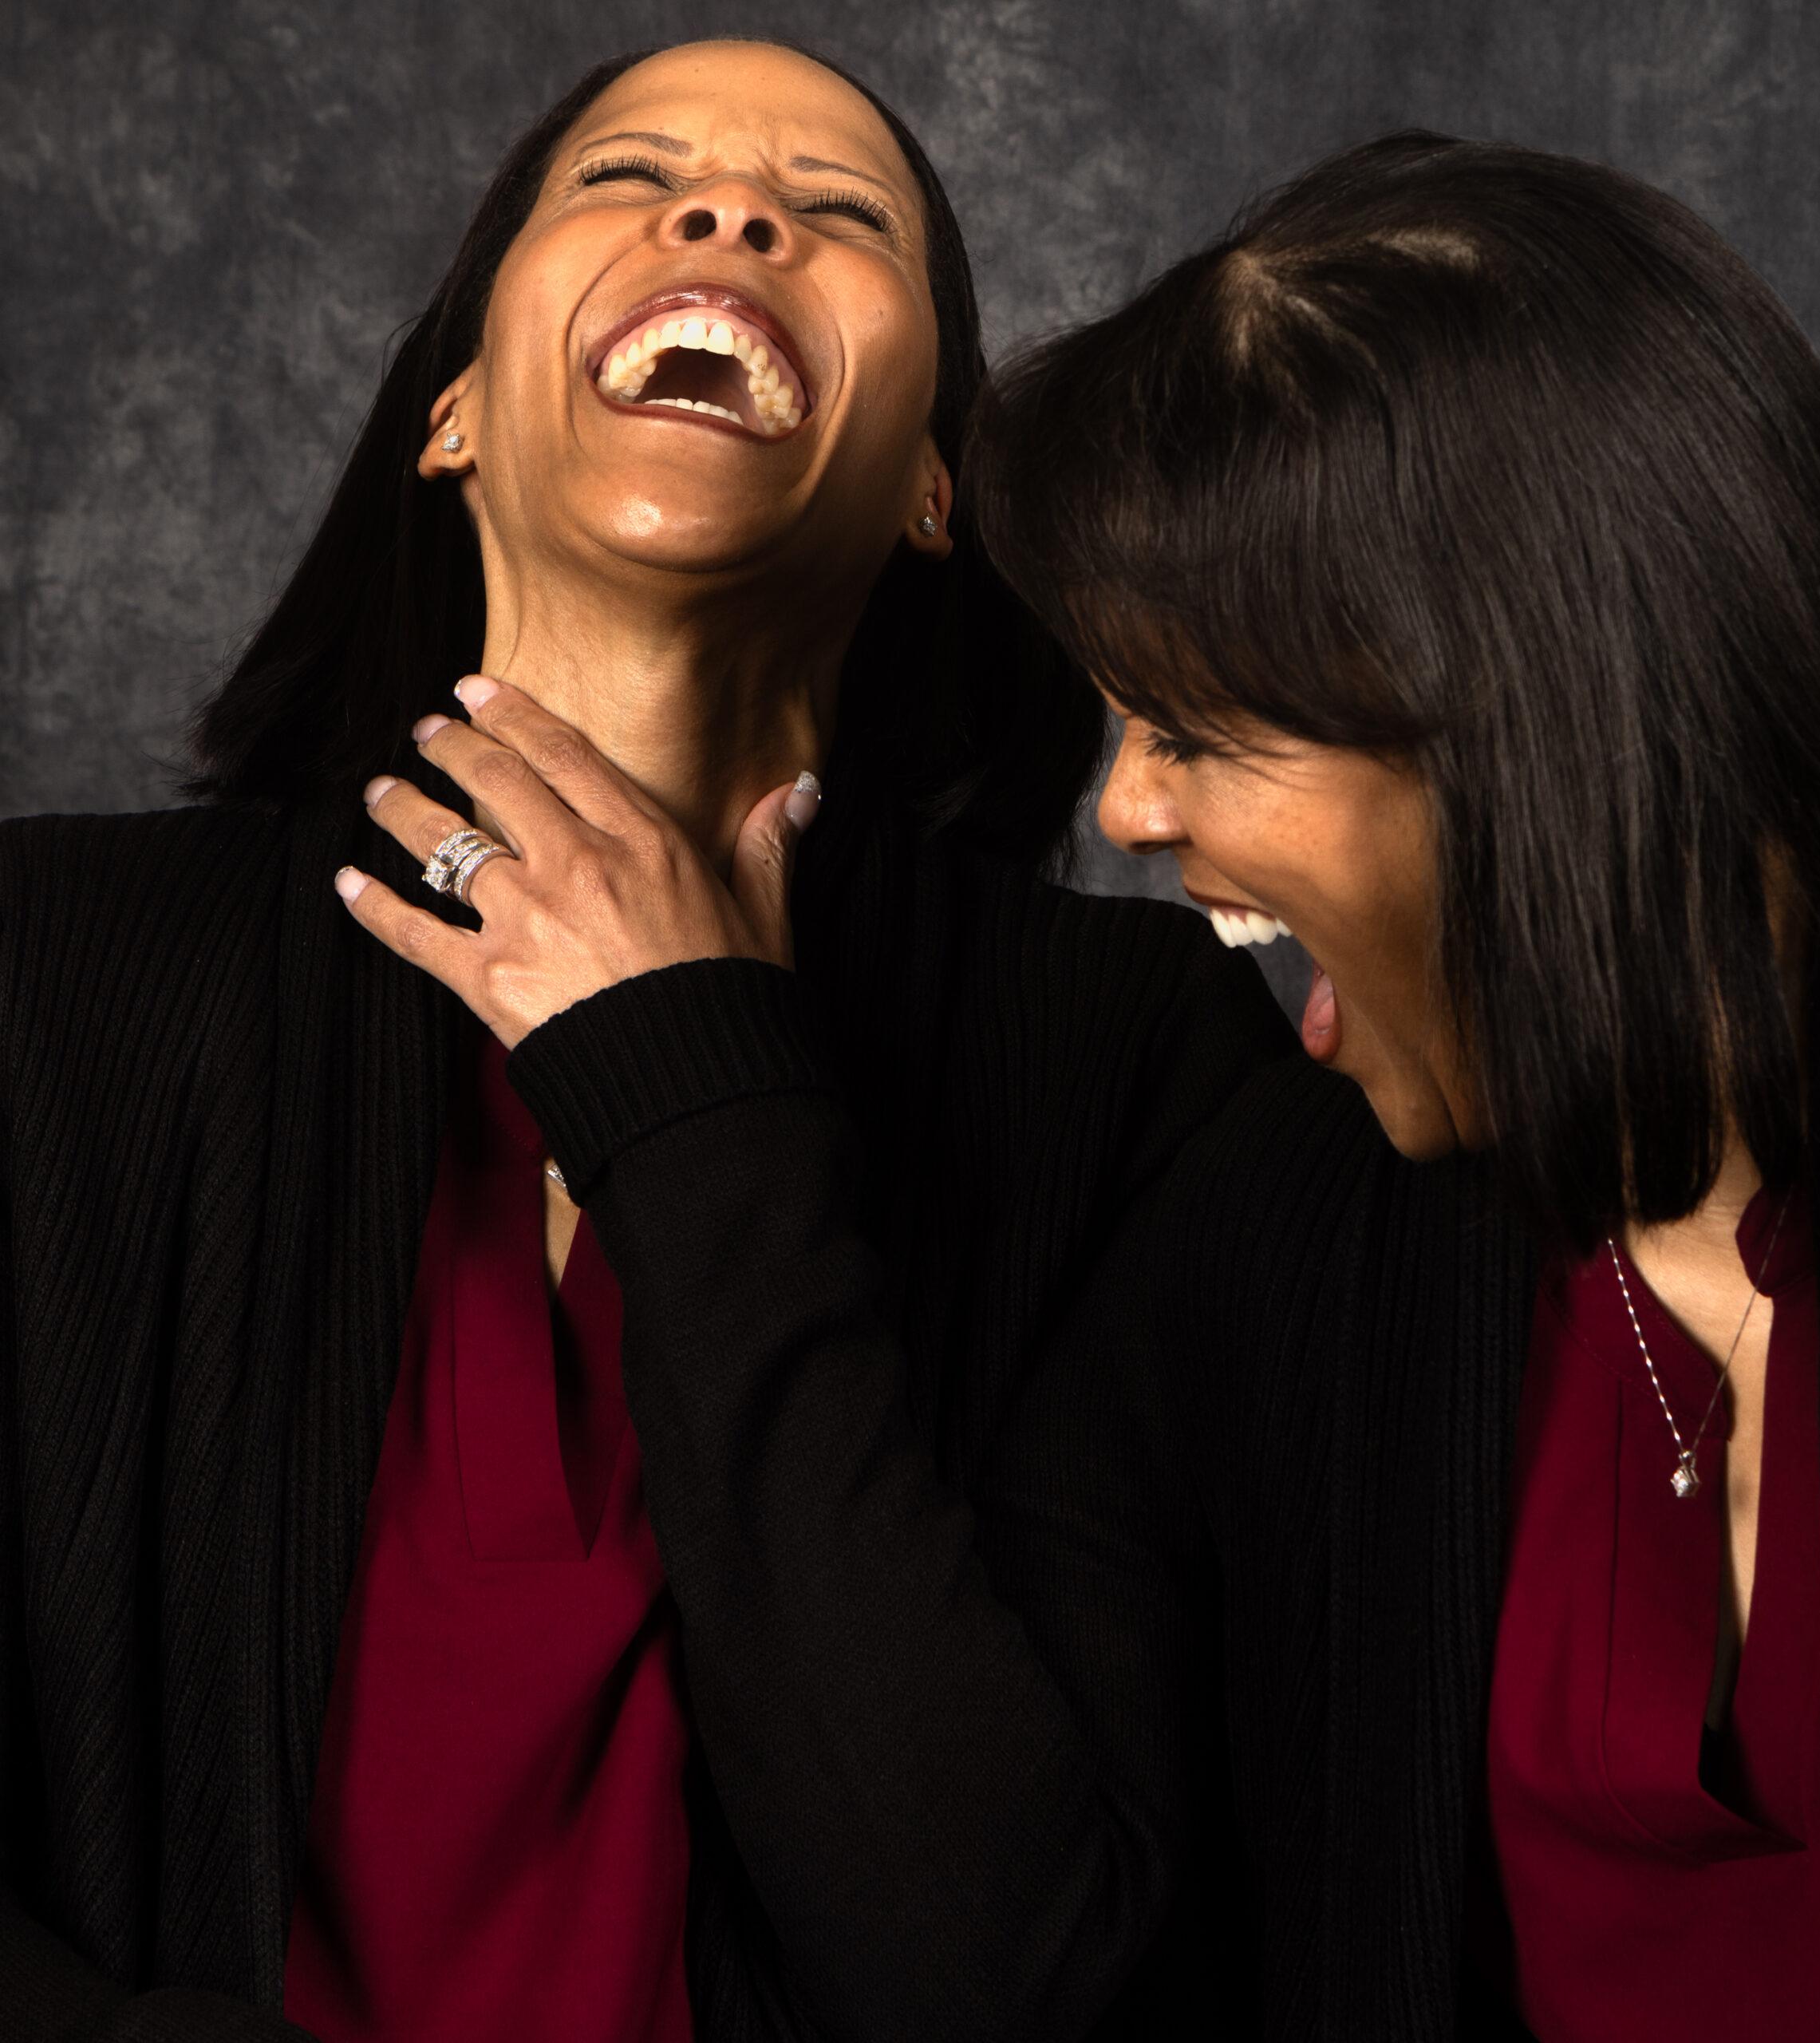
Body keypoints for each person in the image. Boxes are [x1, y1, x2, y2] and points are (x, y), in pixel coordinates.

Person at [0, 40, 1297, 2041]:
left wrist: (691, 1085)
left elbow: (1010, 1963)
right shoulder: (51, 962)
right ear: (449, 412)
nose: (728, 212)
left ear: (935, 485)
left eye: (838, 212)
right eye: (626, 176)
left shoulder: (1133, 1058)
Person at [967, 129, 1820, 2039]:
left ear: (1523, 718)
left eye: (1190, 726)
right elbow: (980, 1916)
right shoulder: (1288, 1226)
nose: (1124, 809)